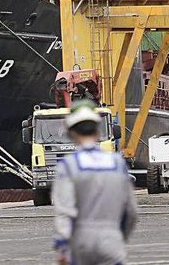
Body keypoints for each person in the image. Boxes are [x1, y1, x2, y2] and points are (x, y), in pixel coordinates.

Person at [51, 100, 139, 265]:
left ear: (71, 132)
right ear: (98, 131)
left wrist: (62, 245)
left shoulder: (68, 166)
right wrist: (119, 236)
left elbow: (65, 211)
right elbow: (131, 211)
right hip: (111, 237)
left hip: (80, 240)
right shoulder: (118, 164)